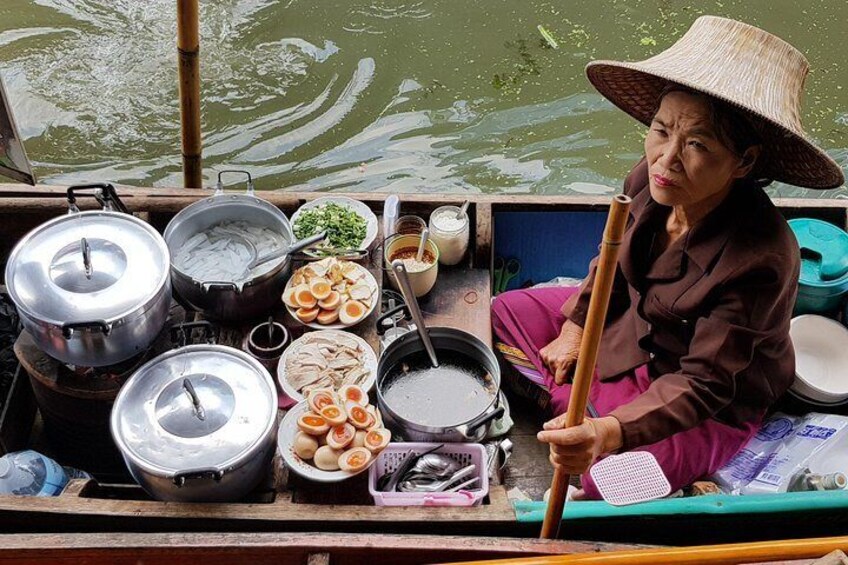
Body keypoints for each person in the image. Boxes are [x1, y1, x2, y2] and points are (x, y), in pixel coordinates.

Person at [492, 16, 844, 500]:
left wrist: (606, 432)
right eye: (661, 130)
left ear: (744, 162)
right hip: (631, 332)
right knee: (503, 313)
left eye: (697, 144)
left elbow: (704, 383)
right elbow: (610, 257)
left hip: (706, 401)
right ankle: (580, 411)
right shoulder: (650, 179)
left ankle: (586, 418)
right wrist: (576, 326)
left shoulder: (761, 257)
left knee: (606, 479)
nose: (667, 158)